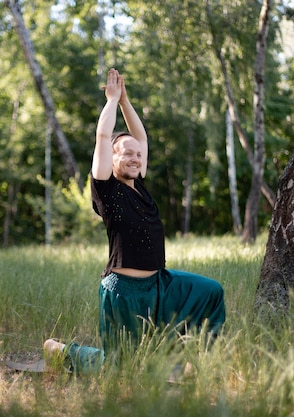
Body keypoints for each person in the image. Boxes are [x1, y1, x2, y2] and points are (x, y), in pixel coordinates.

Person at [43, 68, 225, 374]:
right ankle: (62, 353)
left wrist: (126, 101)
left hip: (159, 284)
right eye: (126, 153)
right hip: (124, 291)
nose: (135, 158)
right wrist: (112, 100)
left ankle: (200, 361)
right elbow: (103, 135)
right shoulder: (106, 191)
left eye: (138, 156)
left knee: (210, 291)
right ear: (111, 159)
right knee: (121, 367)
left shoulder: (139, 185)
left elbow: (141, 137)